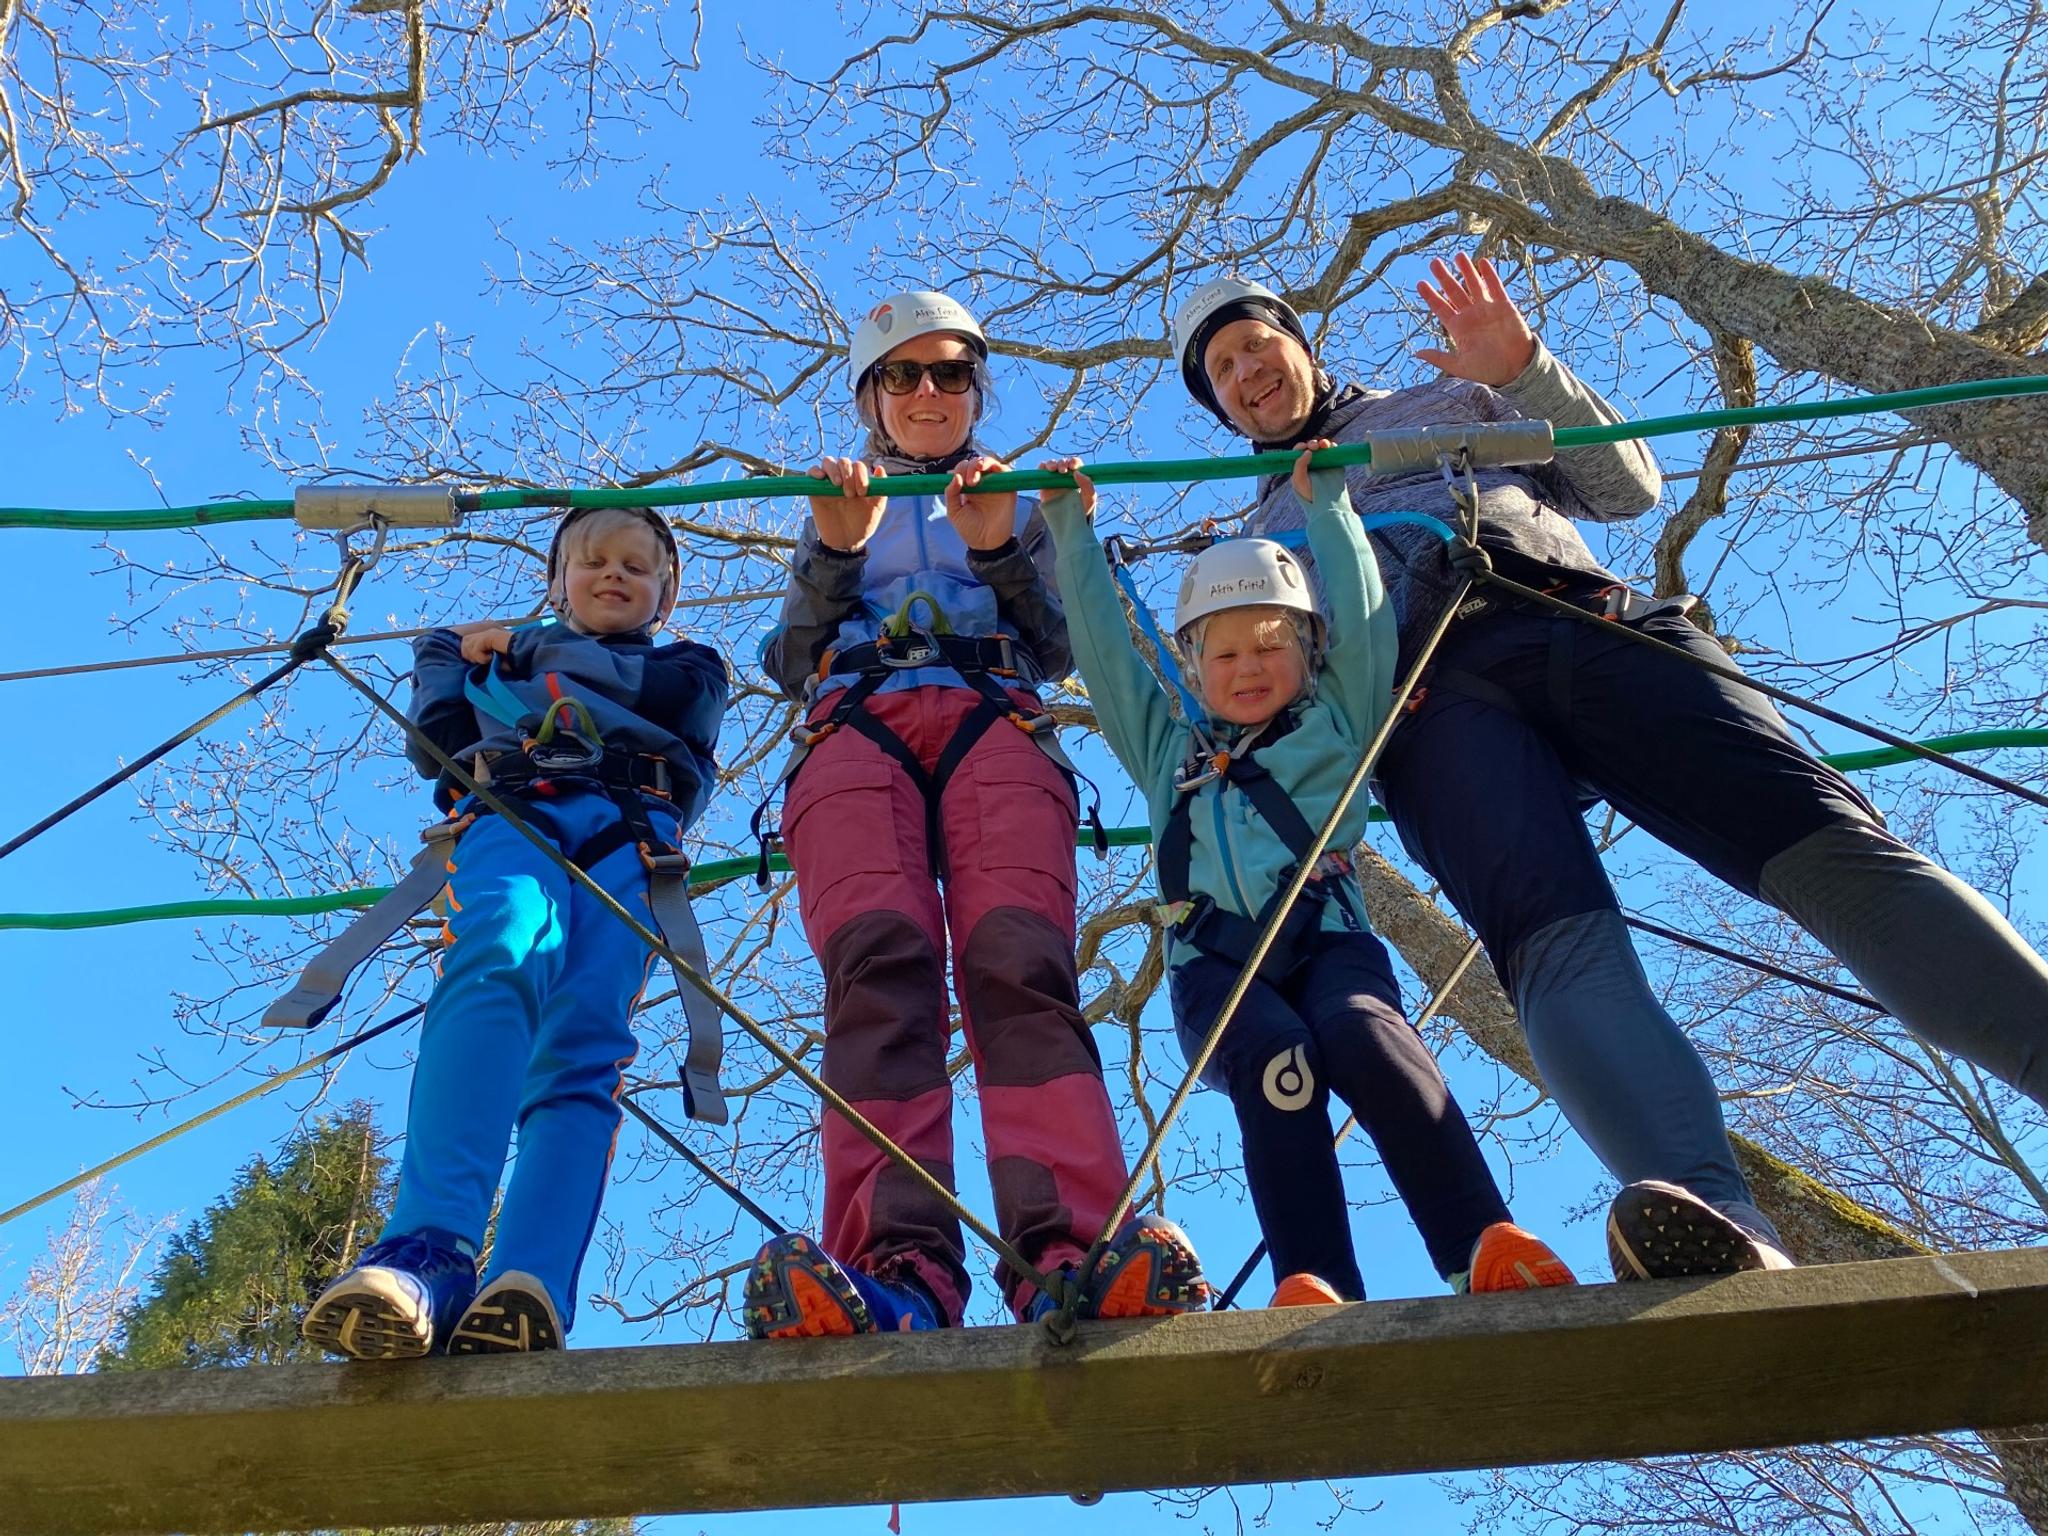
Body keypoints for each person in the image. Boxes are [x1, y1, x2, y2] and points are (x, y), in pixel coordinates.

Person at [1171, 254, 2048, 1280]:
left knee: (1823, 844)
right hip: (1430, 713)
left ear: (1297, 341)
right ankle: (1712, 1221)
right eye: (1219, 371)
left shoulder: (1444, 398)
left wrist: (1526, 368)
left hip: (1578, 622)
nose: (1243, 372)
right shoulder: (1256, 538)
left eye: (1251, 344)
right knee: (1550, 945)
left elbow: (1623, 485)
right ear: (1223, 409)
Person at [747, 291, 1207, 1337]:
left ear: (974, 388)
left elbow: (1053, 645)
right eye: (901, 375)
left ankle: (1073, 1252)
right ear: (868, 394)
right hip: (855, 728)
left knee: (1019, 966)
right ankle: (898, 1271)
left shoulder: (1018, 492)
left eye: (949, 374)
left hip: (992, 718)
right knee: (879, 971)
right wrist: (833, 551)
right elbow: (784, 661)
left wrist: (1002, 546)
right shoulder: (837, 496)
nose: (926, 393)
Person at [1035, 445, 1575, 1303]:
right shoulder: (1167, 751)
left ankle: (1480, 1241)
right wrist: (1069, 528)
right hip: (1213, 962)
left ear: (1307, 650)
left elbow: (1364, 622)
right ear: (1191, 670)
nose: (1249, 669)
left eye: (1270, 646)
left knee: (1368, 1037)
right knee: (1277, 1062)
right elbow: (1104, 660)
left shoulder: (1336, 721)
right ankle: (1315, 1276)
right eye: (1224, 657)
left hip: (1331, 939)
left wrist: (1330, 509)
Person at [302, 504, 729, 1356]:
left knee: (587, 1042)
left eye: (636, 568)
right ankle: (428, 1249)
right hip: (512, 812)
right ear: (557, 583)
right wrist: (448, 650)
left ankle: (528, 1278)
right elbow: (438, 742)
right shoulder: (496, 660)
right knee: (495, 956)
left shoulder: (689, 664)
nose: (614, 575)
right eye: (593, 562)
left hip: (631, 834)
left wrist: (514, 649)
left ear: (665, 594)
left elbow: (670, 698)